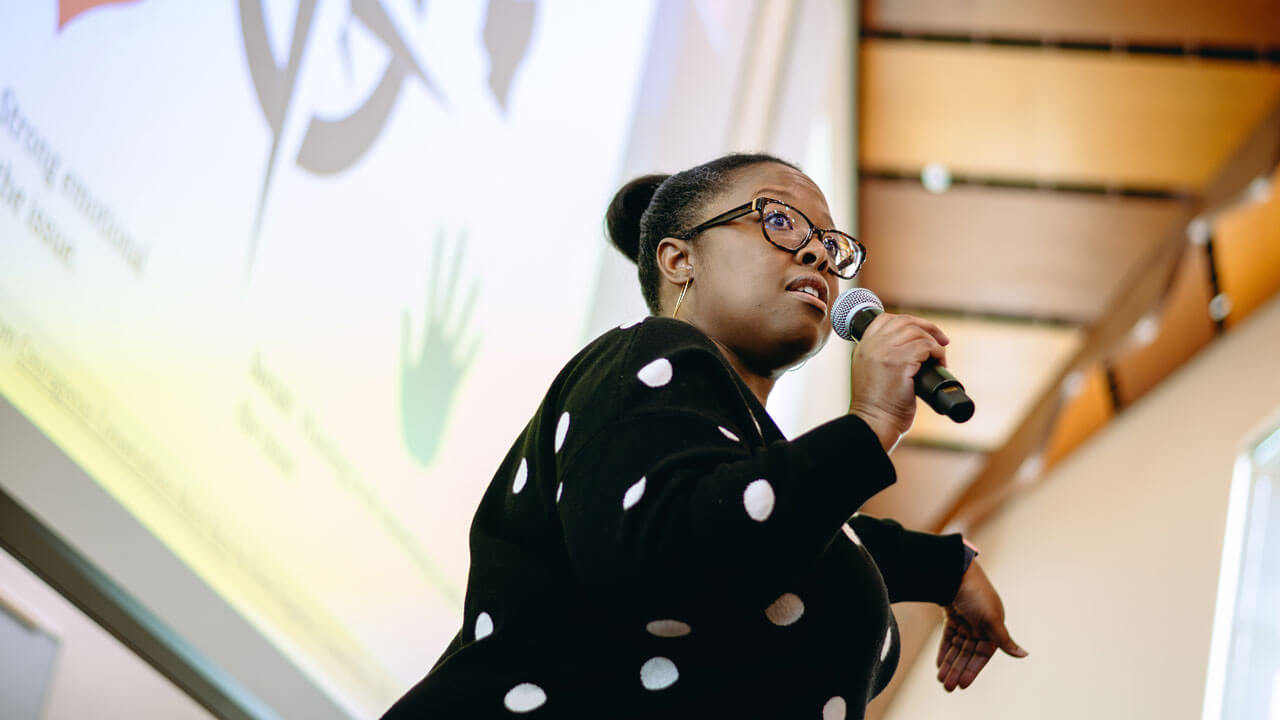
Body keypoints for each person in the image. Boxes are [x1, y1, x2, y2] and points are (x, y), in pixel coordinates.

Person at [382, 153, 1027, 719]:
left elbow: (809, 532)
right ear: (678, 258)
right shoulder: (647, 355)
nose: (816, 255)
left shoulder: (756, 471)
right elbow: (680, 548)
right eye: (779, 220)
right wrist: (871, 426)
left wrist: (947, 570)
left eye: (831, 247)